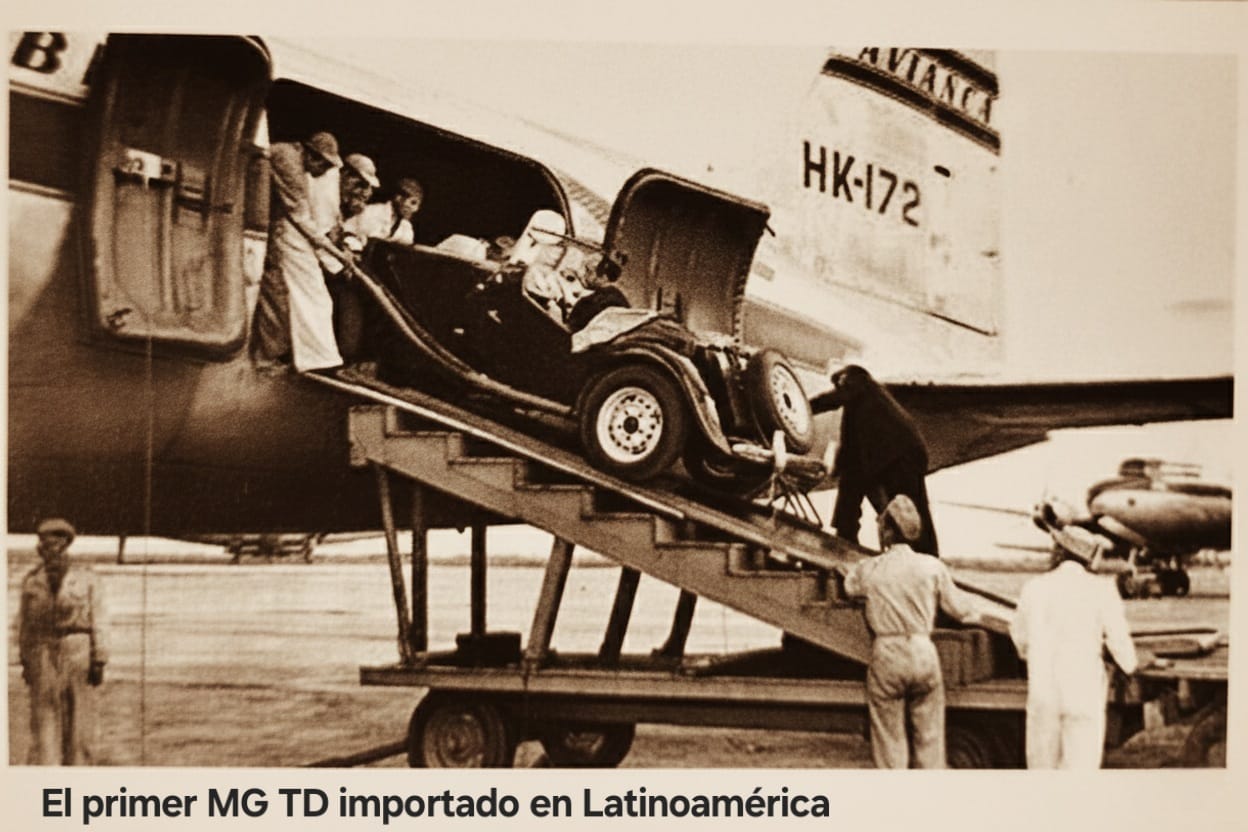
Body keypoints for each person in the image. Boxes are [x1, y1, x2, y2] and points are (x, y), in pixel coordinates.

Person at [843, 495, 979, 768]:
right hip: (922, 651)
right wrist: (975, 613)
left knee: (889, 737)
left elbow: (850, 588)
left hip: (889, 653)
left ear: (888, 530)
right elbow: (959, 609)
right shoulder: (931, 567)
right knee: (930, 737)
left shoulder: (871, 569)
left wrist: (847, 571)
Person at [1010, 525, 1141, 769]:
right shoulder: (1102, 588)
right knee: (1081, 769)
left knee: (1042, 769)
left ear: (1060, 552)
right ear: (1088, 558)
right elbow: (1119, 641)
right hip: (1084, 692)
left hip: (1043, 693)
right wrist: (1130, 665)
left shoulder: (1033, 588)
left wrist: (1035, 656)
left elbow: (1020, 638)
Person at [811, 364, 939, 555]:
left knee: (910, 507)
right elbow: (850, 444)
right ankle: (846, 534)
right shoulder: (865, 400)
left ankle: (924, 554)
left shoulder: (858, 382)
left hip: (900, 456)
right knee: (853, 484)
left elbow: (834, 400)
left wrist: (804, 406)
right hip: (896, 454)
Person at [251, 130, 346, 373]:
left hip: (281, 229)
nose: (323, 173)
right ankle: (313, 358)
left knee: (295, 298)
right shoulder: (288, 162)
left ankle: (312, 356)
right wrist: (334, 255)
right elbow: (300, 218)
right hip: (279, 232)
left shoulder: (292, 157)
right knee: (307, 296)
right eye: (324, 166)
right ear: (314, 157)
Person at [19, 518, 109, 765]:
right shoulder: (31, 581)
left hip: (77, 649)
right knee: (44, 719)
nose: (50, 550)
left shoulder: (87, 579)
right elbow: (24, 625)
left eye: (56, 544)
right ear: (40, 549)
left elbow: (99, 618)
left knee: (79, 720)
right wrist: (26, 661)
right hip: (43, 652)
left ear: (65, 545)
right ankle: (47, 775)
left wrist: (99, 659)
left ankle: (79, 772)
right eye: (45, 545)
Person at [352, 176, 423, 247]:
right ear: (398, 198)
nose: (415, 209)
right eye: (413, 202)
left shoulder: (406, 226)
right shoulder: (373, 212)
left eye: (417, 205)